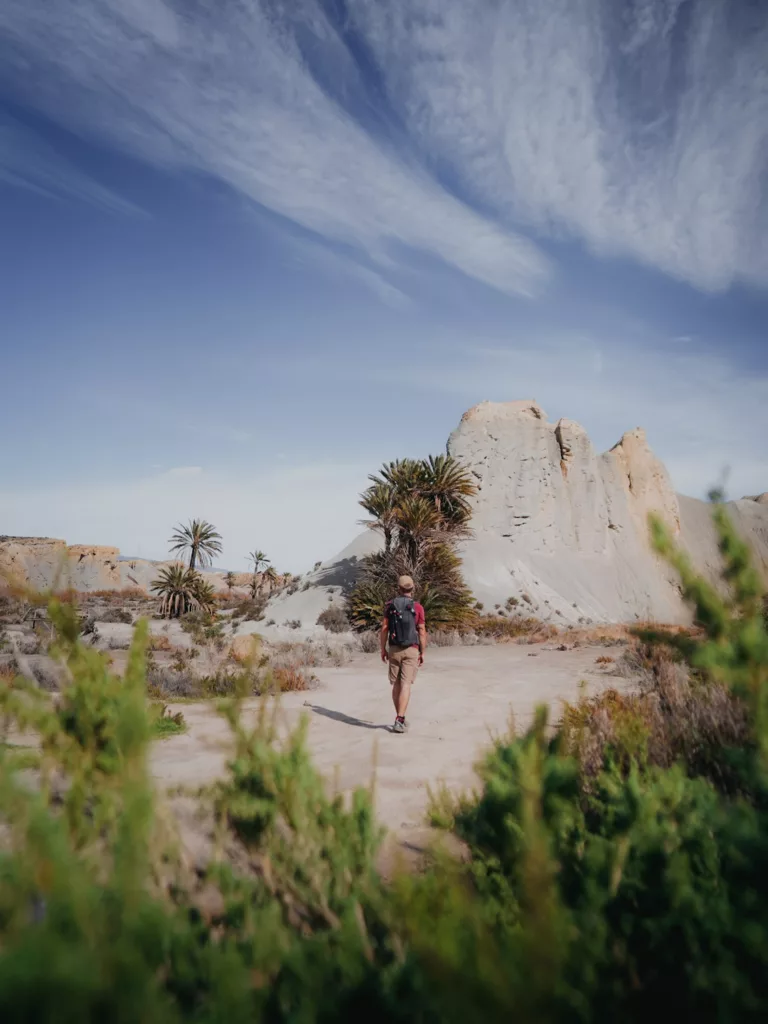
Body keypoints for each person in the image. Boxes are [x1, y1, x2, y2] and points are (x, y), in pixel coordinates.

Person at [380, 575, 427, 733]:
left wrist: (383, 649)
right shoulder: (418, 607)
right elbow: (421, 631)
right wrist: (422, 651)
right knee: (406, 684)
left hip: (394, 649)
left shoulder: (390, 605)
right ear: (412, 589)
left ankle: (400, 717)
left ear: (398, 589)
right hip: (411, 649)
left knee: (396, 685)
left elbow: (384, 629)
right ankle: (400, 719)